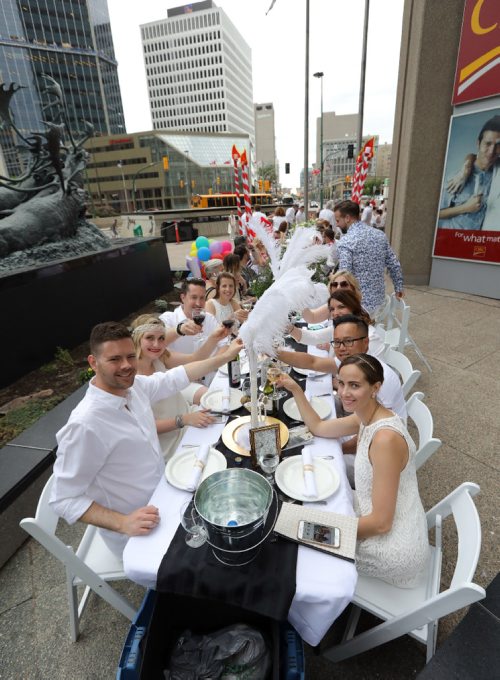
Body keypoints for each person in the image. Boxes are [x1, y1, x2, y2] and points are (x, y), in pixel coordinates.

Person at [49, 321, 243, 556]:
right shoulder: (85, 425)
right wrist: (123, 522)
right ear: (93, 362)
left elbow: (177, 377)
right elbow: (63, 498)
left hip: (167, 495)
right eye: (114, 359)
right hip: (139, 531)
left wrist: (227, 355)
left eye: (131, 356)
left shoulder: (135, 388)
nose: (126, 365)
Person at [276, 353, 429, 587]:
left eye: (354, 385)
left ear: (375, 387)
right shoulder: (367, 415)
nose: (344, 393)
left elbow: (381, 524)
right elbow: (318, 427)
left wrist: (315, 529)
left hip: (392, 546)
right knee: (297, 514)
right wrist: (295, 388)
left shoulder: (385, 439)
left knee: (296, 538)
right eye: (341, 383)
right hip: (375, 514)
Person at [278, 315, 406, 422]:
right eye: (337, 342)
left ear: (365, 342)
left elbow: (376, 431)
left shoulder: (382, 379)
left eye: (349, 341)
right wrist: (273, 352)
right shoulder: (355, 362)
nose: (342, 348)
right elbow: (313, 362)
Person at [131, 315, 223, 460]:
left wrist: (214, 338)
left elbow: (195, 359)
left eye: (161, 338)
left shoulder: (161, 357)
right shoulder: (130, 377)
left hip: (187, 414)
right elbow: (146, 426)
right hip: (170, 439)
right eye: (150, 338)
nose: (156, 344)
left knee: (221, 420)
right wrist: (184, 419)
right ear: (137, 339)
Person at [335, 200, 404, 316]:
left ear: (347, 218)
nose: (337, 224)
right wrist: (399, 287)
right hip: (380, 303)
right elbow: (394, 263)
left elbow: (344, 276)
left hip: (358, 306)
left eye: (338, 220)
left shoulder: (346, 241)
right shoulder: (379, 235)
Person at [159, 278, 226, 391]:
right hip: (184, 381)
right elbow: (158, 340)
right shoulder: (169, 318)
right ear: (183, 297)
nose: (198, 303)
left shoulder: (208, 318)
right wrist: (180, 329)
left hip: (210, 373)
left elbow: (224, 344)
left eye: (202, 298)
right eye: (194, 297)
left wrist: (210, 365)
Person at [439, 114, 500, 230]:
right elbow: (436, 213)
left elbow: (472, 156)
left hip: (478, 243)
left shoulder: (497, 173)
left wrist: (468, 162)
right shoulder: (456, 177)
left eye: (498, 145)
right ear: (478, 143)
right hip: (453, 239)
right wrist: (465, 207)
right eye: (487, 144)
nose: (491, 151)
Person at [288, 289, 385, 360]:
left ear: (354, 308)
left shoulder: (372, 338)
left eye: (341, 307)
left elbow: (367, 376)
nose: (335, 313)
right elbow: (314, 337)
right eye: (332, 309)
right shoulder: (341, 328)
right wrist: (289, 328)